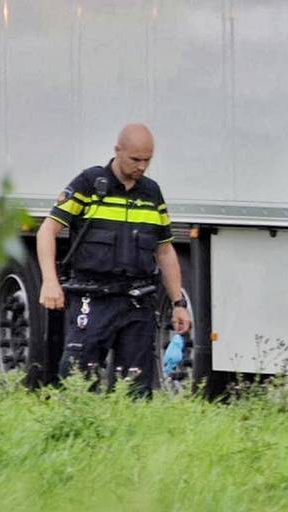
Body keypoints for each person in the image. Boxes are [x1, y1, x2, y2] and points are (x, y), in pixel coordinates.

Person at [37, 123, 191, 394]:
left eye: (147, 160)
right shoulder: (89, 184)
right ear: (117, 151)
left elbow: (165, 251)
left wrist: (178, 303)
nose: (142, 167)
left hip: (137, 302)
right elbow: (47, 230)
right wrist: (49, 281)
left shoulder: (151, 194)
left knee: (135, 389)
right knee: (76, 381)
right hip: (92, 298)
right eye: (135, 159)